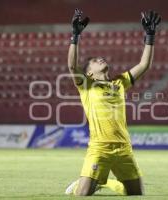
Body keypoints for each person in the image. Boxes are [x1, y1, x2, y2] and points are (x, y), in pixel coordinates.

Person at [64, 9, 161, 196]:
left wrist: (150, 36)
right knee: (82, 194)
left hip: (124, 147)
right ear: (89, 72)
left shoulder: (120, 82)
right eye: (94, 61)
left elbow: (144, 65)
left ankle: (106, 182)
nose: (100, 59)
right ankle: (84, 183)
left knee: (136, 193)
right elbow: (71, 65)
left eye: (100, 58)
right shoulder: (86, 84)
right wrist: (75, 36)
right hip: (100, 147)